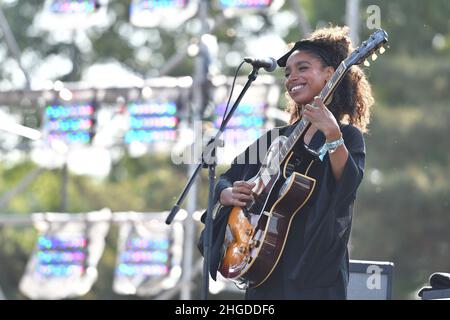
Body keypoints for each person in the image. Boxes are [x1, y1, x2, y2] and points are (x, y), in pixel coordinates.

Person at [198, 25, 374, 299]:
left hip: (314, 273)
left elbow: (348, 184)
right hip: (261, 265)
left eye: (303, 68)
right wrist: (227, 192)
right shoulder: (273, 139)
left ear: (330, 74)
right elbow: (225, 178)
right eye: (288, 73)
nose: (292, 77)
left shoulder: (347, 135)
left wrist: (332, 134)